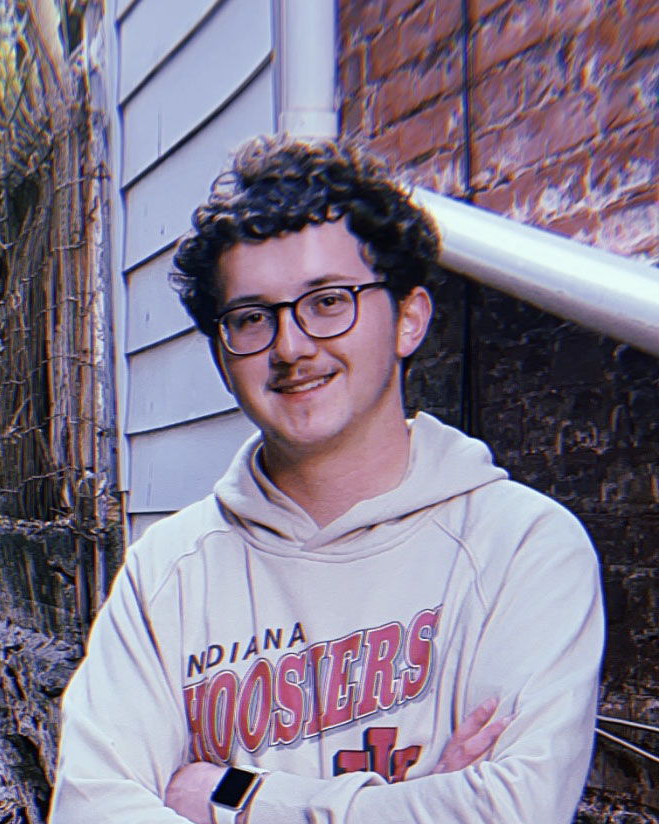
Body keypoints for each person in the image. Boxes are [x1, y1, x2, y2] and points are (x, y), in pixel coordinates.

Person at [49, 136, 604, 824]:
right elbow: (91, 808)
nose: (291, 346)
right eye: (252, 318)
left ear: (408, 319)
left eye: (328, 301)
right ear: (222, 357)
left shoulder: (523, 548)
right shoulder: (167, 574)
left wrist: (236, 797)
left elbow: (512, 810)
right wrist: (416, 803)